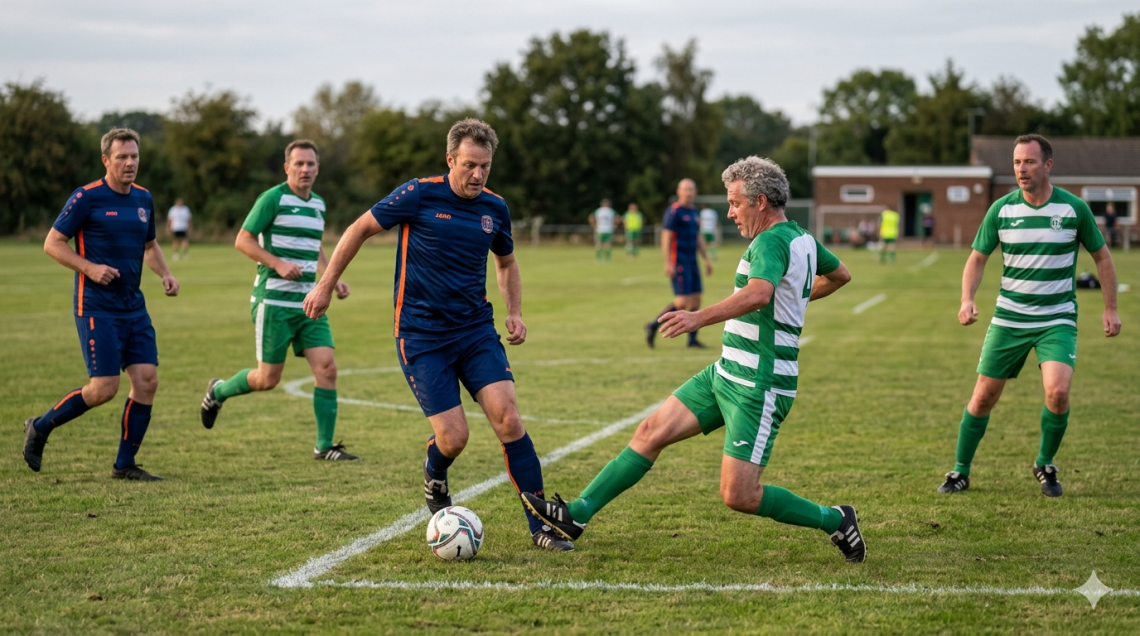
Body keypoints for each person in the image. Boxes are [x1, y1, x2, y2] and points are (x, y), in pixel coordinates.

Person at [522, 156, 864, 562]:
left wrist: (697, 317)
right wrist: (794, 298)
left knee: (739, 495)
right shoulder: (801, 237)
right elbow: (840, 274)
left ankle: (836, 520)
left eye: (735, 203)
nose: (730, 213)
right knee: (651, 431)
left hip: (759, 383)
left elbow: (758, 294)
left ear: (760, 201)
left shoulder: (770, 241)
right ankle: (578, 513)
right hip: (726, 372)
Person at [303, 118, 571, 551]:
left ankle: (540, 525)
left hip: (475, 331)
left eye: (485, 166)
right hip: (422, 336)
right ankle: (435, 473)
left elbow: (505, 263)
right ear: (450, 160)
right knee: (454, 438)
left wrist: (515, 312)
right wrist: (325, 284)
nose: (478, 175)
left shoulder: (494, 208)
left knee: (508, 417)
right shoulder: (419, 193)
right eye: (469, 165)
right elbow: (358, 229)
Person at [937, 134, 1121, 497]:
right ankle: (960, 471)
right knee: (984, 396)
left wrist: (1110, 308)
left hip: (1057, 319)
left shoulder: (1073, 209)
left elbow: (1102, 258)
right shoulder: (1002, 210)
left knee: (1058, 392)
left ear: (1047, 165)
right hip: (1010, 318)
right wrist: (966, 299)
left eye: (1030, 162)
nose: (1022, 169)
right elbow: (977, 258)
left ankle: (1045, 462)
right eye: (1018, 162)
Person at [23, 128, 179, 481]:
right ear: (105, 160)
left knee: (147, 381)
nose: (130, 163)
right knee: (104, 389)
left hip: (133, 306)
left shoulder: (144, 199)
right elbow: (53, 243)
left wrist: (165, 274)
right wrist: (90, 268)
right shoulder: (86, 198)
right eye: (122, 157)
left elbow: (150, 246)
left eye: (134, 156)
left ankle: (125, 465)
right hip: (96, 306)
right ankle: (41, 426)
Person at [199, 140, 356, 461]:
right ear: (287, 167)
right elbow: (242, 240)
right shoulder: (272, 199)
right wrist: (278, 263)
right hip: (273, 303)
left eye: (311, 164)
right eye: (298, 163)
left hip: (309, 305)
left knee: (327, 369)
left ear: (318, 168)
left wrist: (331, 279)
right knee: (267, 379)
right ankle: (218, 391)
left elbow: (316, 248)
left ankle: (324, 446)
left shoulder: (319, 205)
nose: (305, 169)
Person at [645, 179, 714, 349]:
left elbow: (698, 238)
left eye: (691, 189)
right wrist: (668, 262)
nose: (689, 192)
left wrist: (706, 259)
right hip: (679, 260)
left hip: (692, 261)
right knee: (682, 303)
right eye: (686, 189)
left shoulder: (694, 212)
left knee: (697, 300)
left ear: (695, 192)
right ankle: (654, 325)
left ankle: (692, 340)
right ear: (679, 192)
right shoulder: (673, 212)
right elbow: (666, 237)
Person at [589, 198, 616, 263]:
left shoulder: (602, 211)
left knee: (606, 244)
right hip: (601, 229)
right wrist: (594, 225)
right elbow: (591, 217)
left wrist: (614, 224)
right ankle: (599, 258)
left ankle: (606, 259)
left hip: (606, 229)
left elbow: (590, 217)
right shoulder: (602, 211)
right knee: (600, 244)